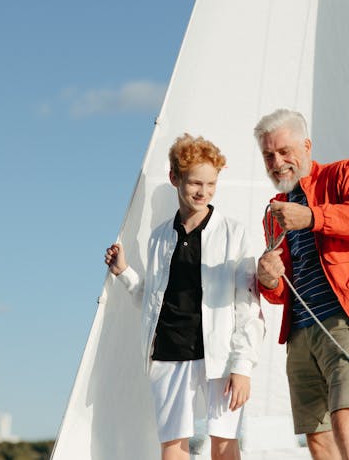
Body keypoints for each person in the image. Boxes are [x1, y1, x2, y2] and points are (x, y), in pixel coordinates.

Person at [104, 133, 265, 460]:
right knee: (173, 447)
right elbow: (153, 300)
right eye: (195, 183)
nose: (203, 191)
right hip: (168, 351)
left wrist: (243, 365)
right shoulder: (160, 236)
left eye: (211, 184)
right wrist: (124, 272)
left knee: (224, 442)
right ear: (174, 178)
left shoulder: (234, 233)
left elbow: (247, 305)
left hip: (220, 354)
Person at [253, 109, 349, 460]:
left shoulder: (344, 173)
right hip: (301, 333)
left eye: (285, 151)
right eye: (268, 155)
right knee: (317, 439)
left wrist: (313, 217)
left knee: (347, 421)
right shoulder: (274, 211)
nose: (277, 161)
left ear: (307, 145)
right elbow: (282, 289)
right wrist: (269, 279)